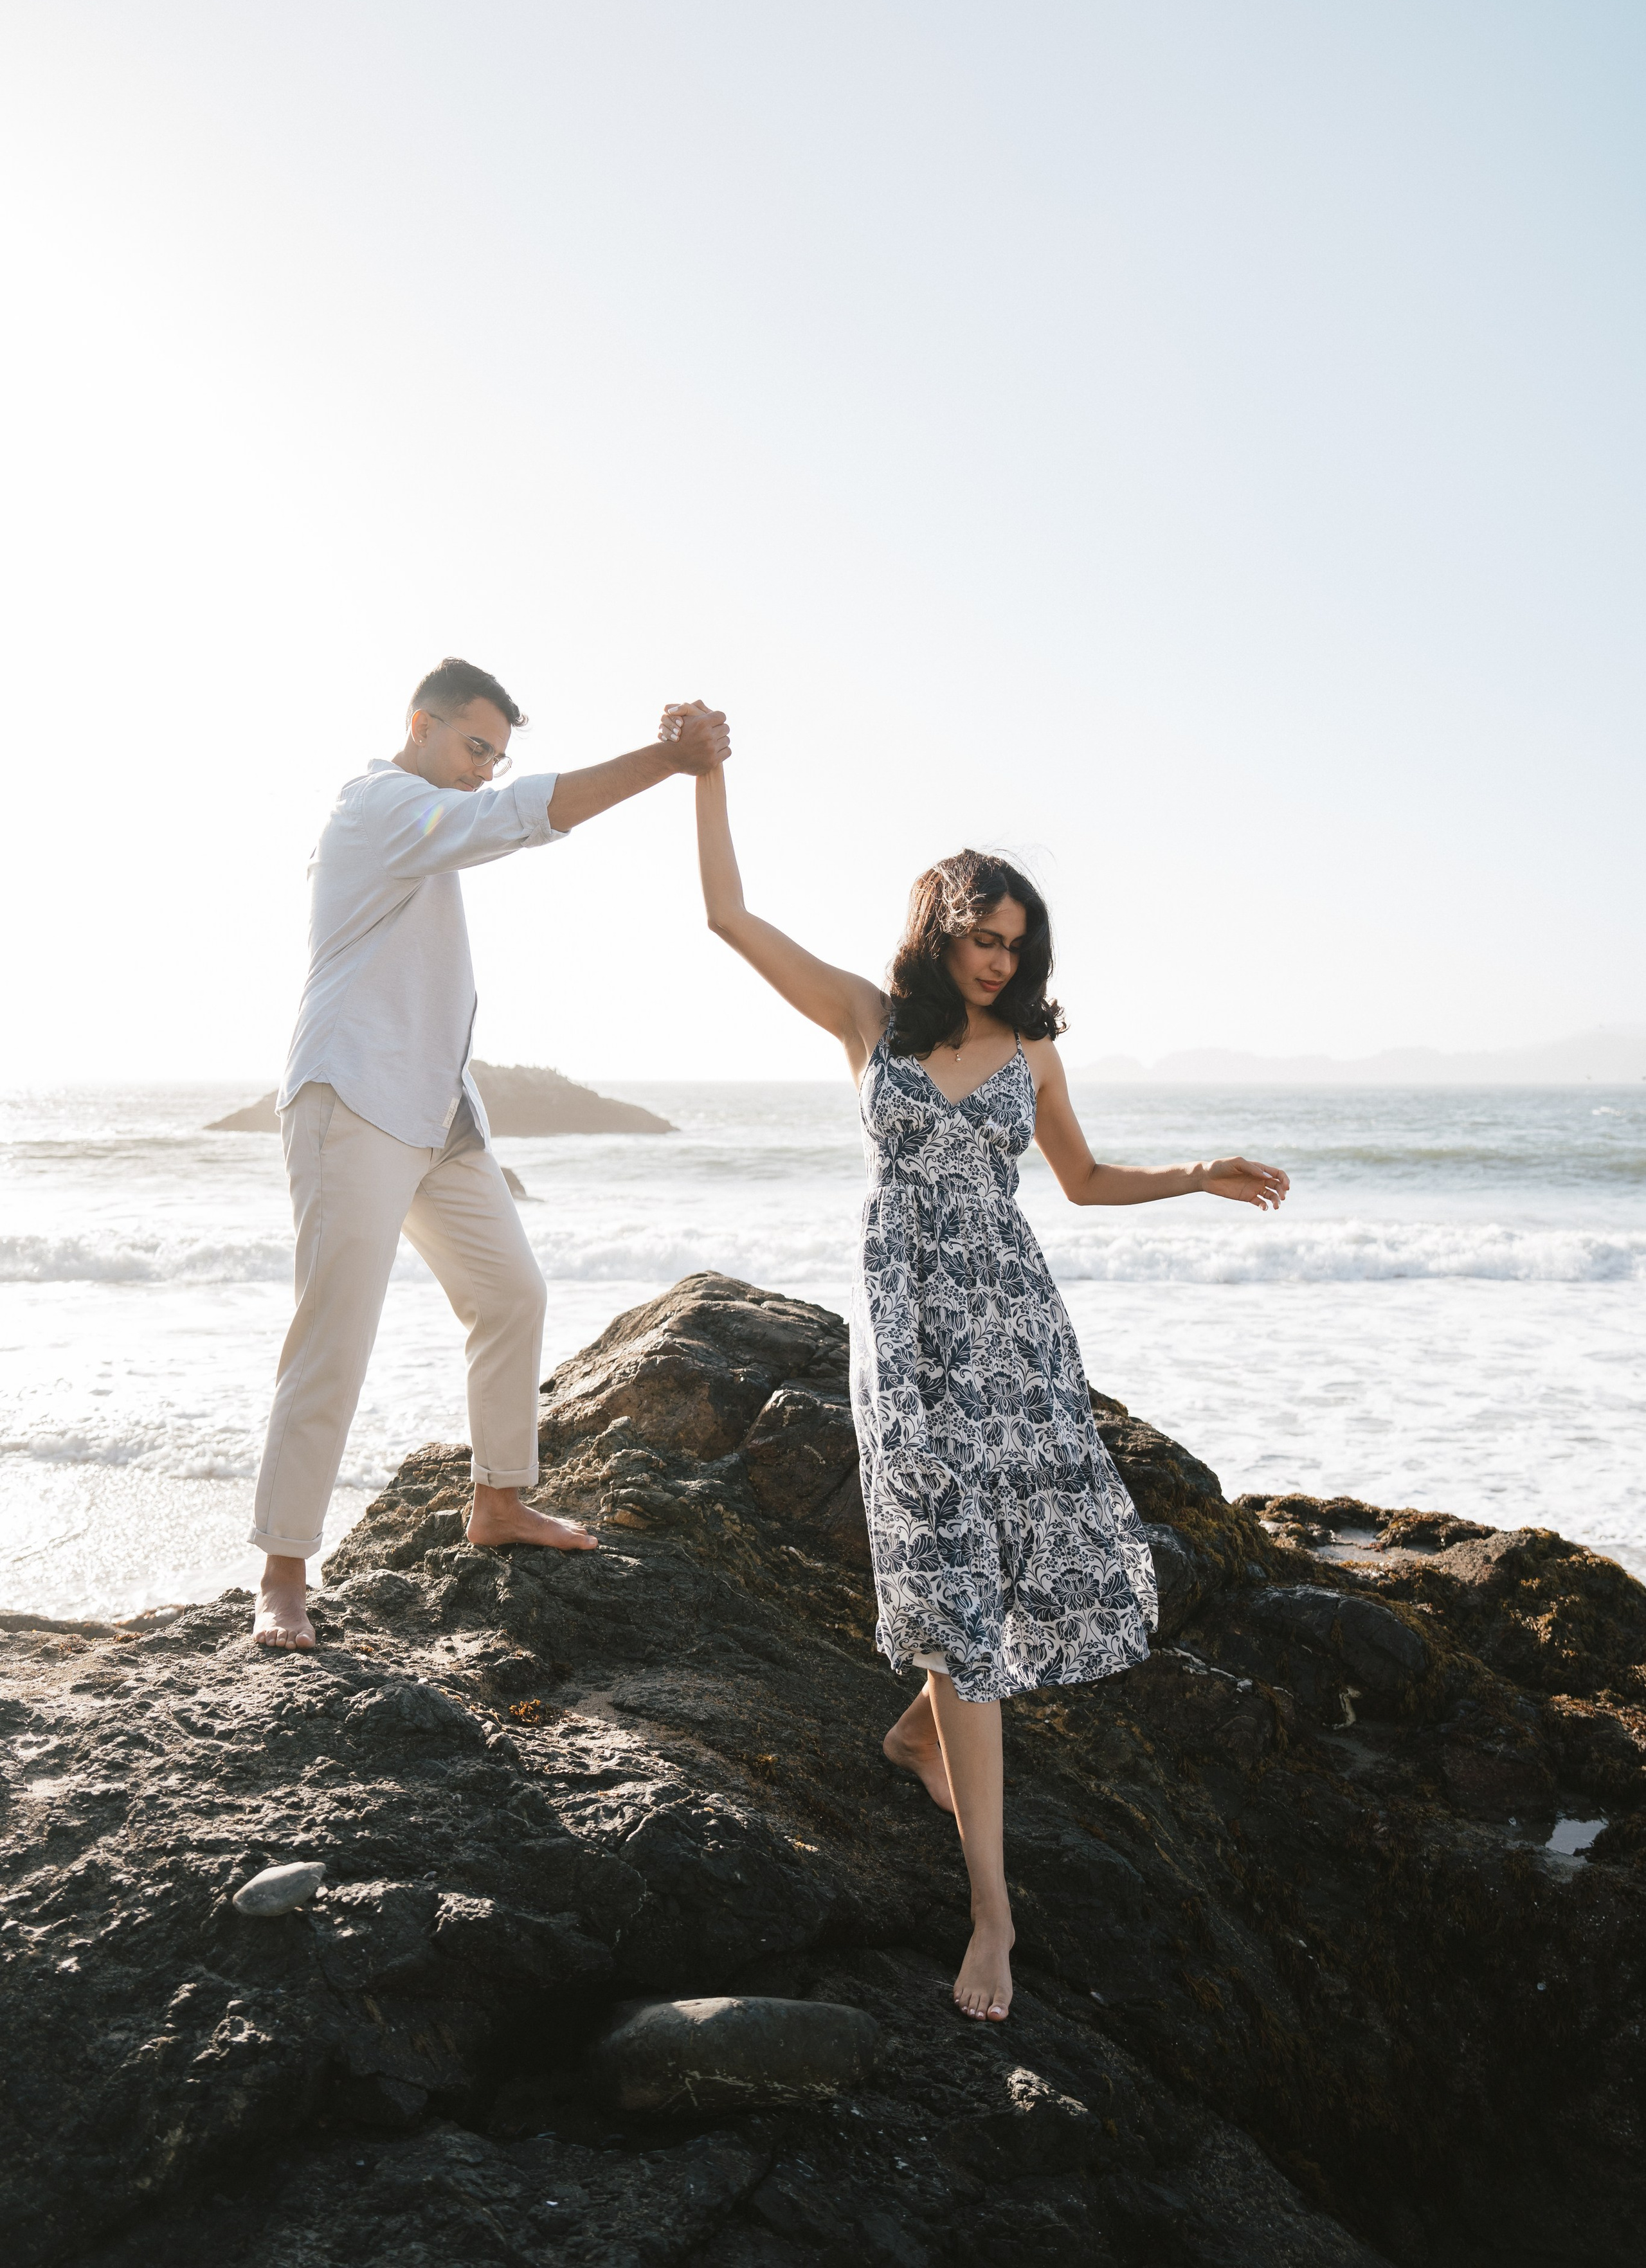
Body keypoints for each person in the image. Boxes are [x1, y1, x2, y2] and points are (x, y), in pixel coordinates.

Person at [689, 737, 1287, 2025]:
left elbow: (1078, 1182)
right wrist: (704, 775)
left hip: (1012, 1334)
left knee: (993, 1580)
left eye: (1016, 943)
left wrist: (1193, 1173)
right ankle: (992, 1917)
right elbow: (726, 916)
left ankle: (920, 1737)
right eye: (981, 935)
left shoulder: (1032, 1056)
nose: (998, 959)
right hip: (901, 1337)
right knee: (954, 1588)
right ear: (939, 929)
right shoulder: (867, 1019)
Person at [251, 658, 730, 1653]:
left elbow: (502, 810)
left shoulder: (427, 809)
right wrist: (667, 759)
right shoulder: (378, 805)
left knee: (511, 1294)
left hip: (437, 1110)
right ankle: (283, 1575)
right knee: (335, 1333)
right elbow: (519, 817)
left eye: (497, 755)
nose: (483, 770)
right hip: (353, 1097)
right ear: (419, 726)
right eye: (474, 748)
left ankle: (500, 1501)